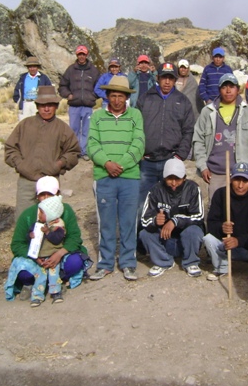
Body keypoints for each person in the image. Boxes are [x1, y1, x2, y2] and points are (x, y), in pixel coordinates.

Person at [87, 76, 145, 281]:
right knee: (107, 223)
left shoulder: (135, 115)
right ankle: (105, 263)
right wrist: (107, 164)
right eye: (113, 95)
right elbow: (92, 145)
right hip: (104, 176)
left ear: (127, 97)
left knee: (129, 221)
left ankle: (128, 263)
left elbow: (138, 144)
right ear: (107, 96)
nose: (117, 100)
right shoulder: (97, 117)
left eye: (121, 96)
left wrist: (121, 165)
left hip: (129, 177)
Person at [5, 176, 91, 306]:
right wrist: (35, 257)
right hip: (36, 257)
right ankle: (40, 283)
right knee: (23, 273)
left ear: (57, 194)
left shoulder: (66, 211)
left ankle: (54, 282)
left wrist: (59, 254)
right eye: (42, 195)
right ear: (36, 197)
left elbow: (75, 237)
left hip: (59, 255)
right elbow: (17, 244)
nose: (45, 198)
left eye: (49, 194)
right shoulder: (28, 214)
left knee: (75, 262)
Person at [5, 85, 81, 219]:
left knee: (51, 221)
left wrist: (58, 164)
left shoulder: (63, 128)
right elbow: (10, 148)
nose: (46, 108)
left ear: (56, 106)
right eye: (42, 105)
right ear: (37, 105)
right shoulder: (25, 125)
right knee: (24, 220)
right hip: (26, 182)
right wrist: (21, 165)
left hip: (50, 183)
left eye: (50, 105)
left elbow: (73, 152)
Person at [136, 62, 195, 217]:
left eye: (171, 78)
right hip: (146, 162)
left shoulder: (183, 101)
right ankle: (142, 238)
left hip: (170, 161)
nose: (167, 81)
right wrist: (139, 151)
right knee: (143, 204)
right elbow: (136, 128)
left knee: (169, 205)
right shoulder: (145, 99)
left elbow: (188, 130)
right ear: (158, 78)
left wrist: (179, 156)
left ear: (175, 80)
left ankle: (166, 239)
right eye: (164, 78)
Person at [193, 73, 248, 201]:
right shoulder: (207, 112)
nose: (228, 90)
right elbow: (198, 140)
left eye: (232, 86)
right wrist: (203, 166)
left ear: (238, 89)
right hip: (215, 173)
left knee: (240, 211)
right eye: (224, 87)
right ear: (219, 89)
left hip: (242, 174)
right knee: (217, 210)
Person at [139, 158, 204, 277]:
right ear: (164, 178)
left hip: (186, 241)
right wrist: (154, 220)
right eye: (170, 178)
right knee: (144, 234)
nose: (173, 183)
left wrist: (175, 221)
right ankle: (163, 261)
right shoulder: (155, 190)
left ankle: (191, 262)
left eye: (177, 179)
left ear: (184, 178)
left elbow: (199, 216)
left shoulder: (193, 189)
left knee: (194, 230)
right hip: (165, 240)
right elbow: (144, 219)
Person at [202, 162, 248, 280]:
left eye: (245, 181)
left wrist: (239, 241)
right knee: (208, 239)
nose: (240, 185)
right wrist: (221, 228)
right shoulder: (221, 194)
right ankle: (222, 267)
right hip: (226, 246)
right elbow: (211, 223)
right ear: (231, 179)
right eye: (237, 180)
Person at [59, 45, 100, 160]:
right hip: (74, 105)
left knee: (87, 130)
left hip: (88, 105)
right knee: (73, 130)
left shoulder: (93, 70)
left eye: (83, 54)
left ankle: (85, 152)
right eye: (79, 54)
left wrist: (93, 96)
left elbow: (99, 86)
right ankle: (74, 152)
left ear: (87, 55)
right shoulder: (71, 69)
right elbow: (62, 85)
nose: (81, 56)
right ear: (77, 55)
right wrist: (68, 94)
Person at [13, 57, 52, 121]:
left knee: (38, 124)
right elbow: (17, 90)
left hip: (38, 104)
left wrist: (45, 104)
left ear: (37, 67)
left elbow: (49, 91)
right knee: (24, 124)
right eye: (30, 67)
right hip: (25, 104)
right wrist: (18, 101)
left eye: (34, 67)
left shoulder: (43, 78)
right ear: (27, 68)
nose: (32, 69)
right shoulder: (23, 78)